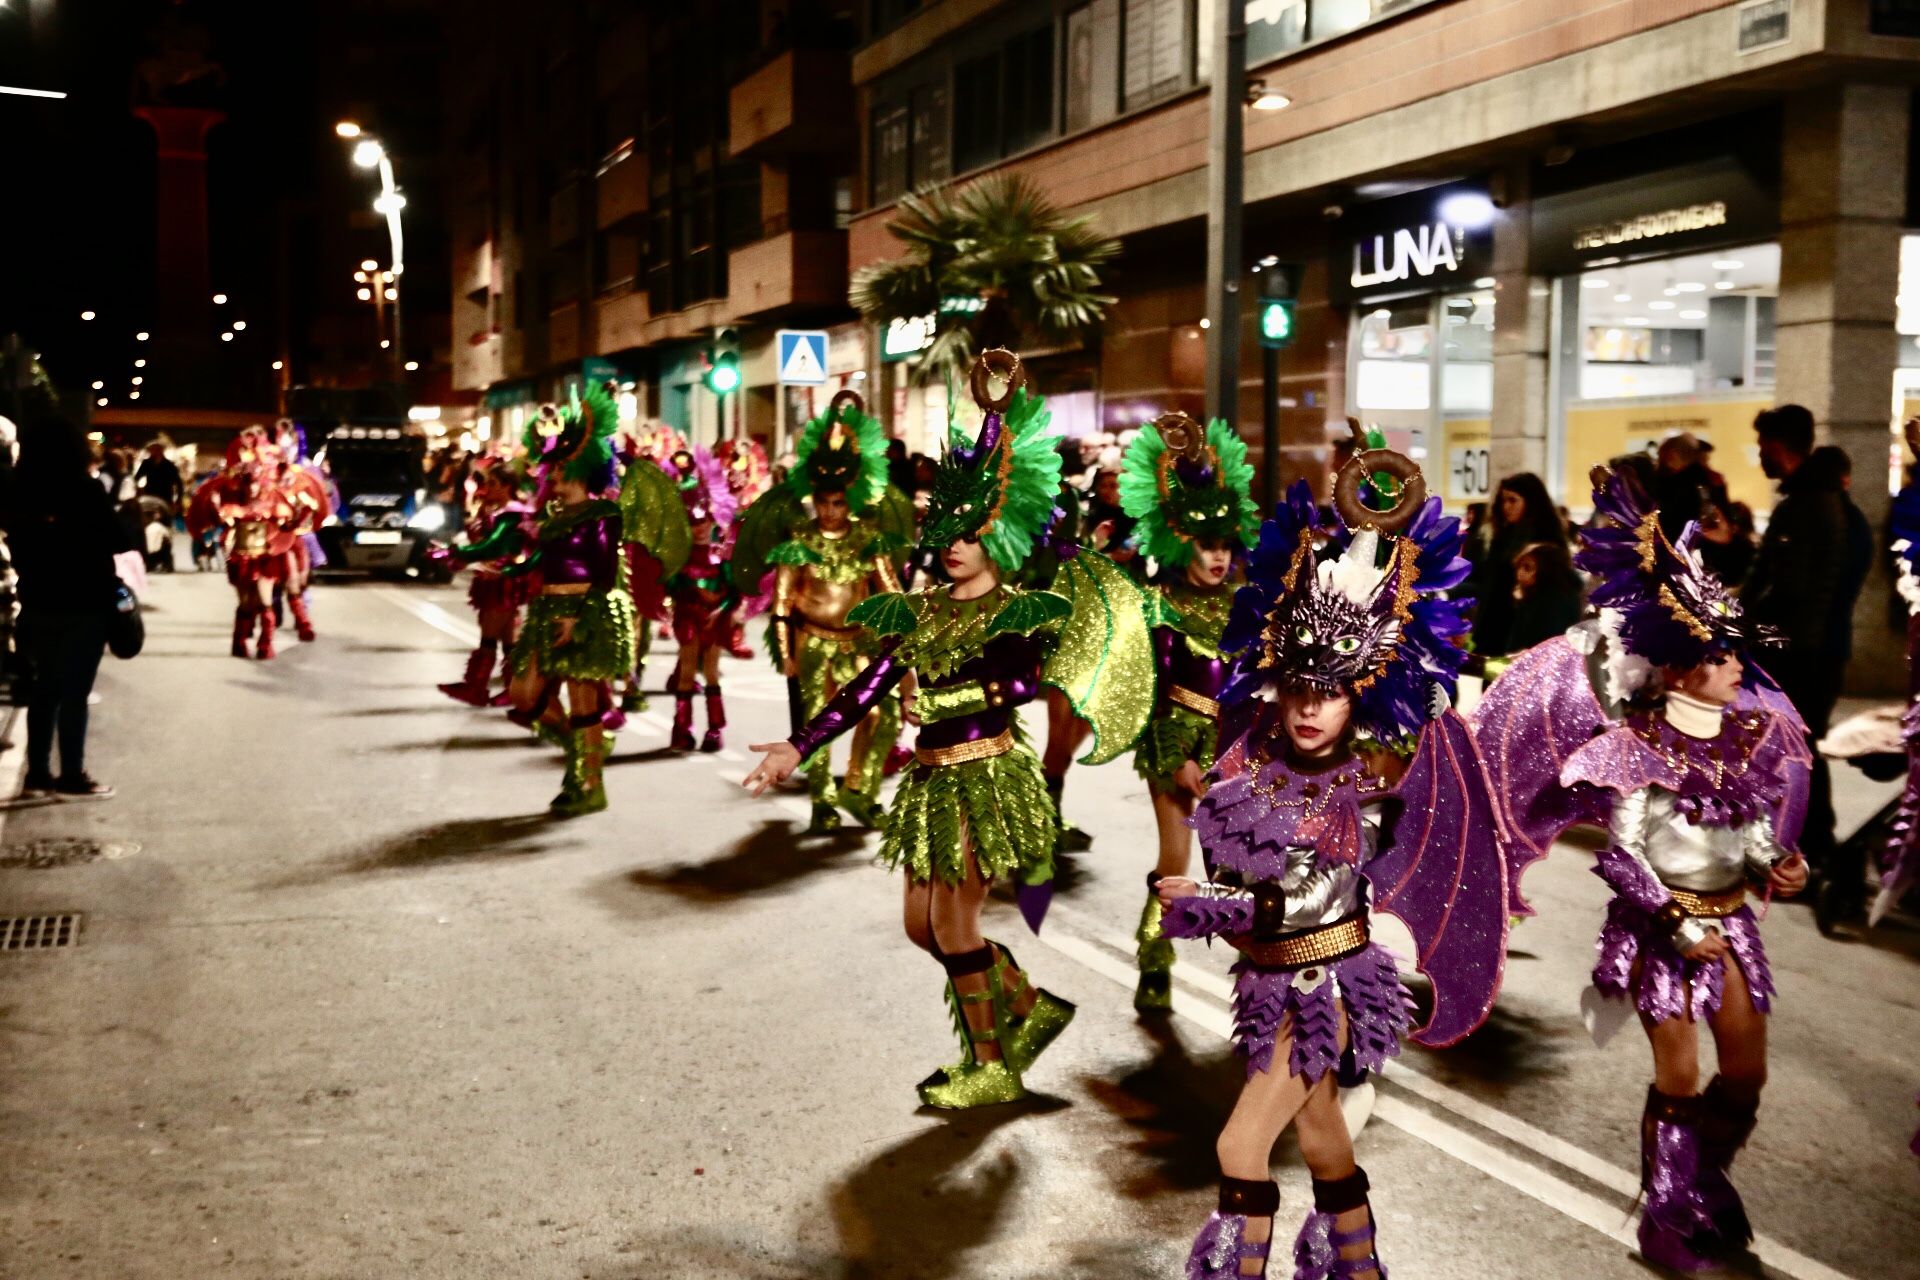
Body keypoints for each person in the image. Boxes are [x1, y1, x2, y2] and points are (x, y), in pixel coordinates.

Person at [741, 350, 1156, 1109]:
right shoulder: (925, 607)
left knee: (953, 923)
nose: (952, 540)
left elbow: (1027, 682)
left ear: (996, 534)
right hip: (931, 780)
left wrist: (958, 692)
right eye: (946, 526)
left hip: (983, 775)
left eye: (970, 529)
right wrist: (797, 745)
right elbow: (869, 683)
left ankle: (992, 1064)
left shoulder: (1020, 610)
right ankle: (1027, 1003)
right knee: (919, 928)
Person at [1160, 444, 1507, 1280]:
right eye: (1300, 687)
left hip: (1325, 986)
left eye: (1334, 690)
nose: (1312, 706)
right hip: (1268, 980)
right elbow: (1236, 854)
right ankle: (1357, 1264)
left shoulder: (1370, 786)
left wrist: (1206, 901)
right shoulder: (1250, 762)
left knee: (1241, 1144)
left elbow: (1301, 893)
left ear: (1362, 697)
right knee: (1320, 1136)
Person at [1476, 464, 1811, 1274]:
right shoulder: (1638, 748)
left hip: (1730, 922)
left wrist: (1782, 862)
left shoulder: (1744, 741)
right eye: (1723, 657)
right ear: (1679, 667)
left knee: (1747, 1075)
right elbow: (1625, 855)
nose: (1741, 669)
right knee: (1683, 1076)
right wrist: (1674, 920)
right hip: (1662, 929)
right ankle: (1664, 1214)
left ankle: (1704, 1178)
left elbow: (1749, 829)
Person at [1115, 411, 1257, 1011]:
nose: (1219, 557)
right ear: (1181, 542)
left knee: (1248, 869)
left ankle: (1262, 977)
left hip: (1236, 745)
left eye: (1226, 545)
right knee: (1175, 859)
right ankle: (1154, 953)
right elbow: (1149, 693)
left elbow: (1256, 683)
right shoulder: (1159, 608)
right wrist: (1178, 758)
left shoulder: (1246, 604)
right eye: (1207, 545)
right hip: (1173, 741)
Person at [760, 393, 908, 832]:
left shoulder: (870, 538)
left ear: (851, 500)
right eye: (823, 502)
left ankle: (859, 790)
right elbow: (782, 602)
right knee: (817, 723)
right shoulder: (800, 540)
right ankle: (822, 800)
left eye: (838, 503)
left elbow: (891, 593)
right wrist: (787, 651)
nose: (829, 511)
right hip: (812, 643)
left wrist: (907, 632)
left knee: (885, 716)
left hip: (860, 641)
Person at [505, 390, 639, 817]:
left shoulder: (603, 516)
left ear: (582, 471)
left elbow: (604, 576)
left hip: (588, 613)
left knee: (584, 704)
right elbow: (542, 562)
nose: (553, 477)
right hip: (547, 611)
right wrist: (503, 568)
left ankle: (588, 783)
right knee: (525, 694)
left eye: (562, 469)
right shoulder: (553, 518)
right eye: (554, 469)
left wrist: (579, 623)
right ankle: (585, 754)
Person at [1743, 406, 1861, 883]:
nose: (1759, 456)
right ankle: (1803, 846)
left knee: (1798, 752)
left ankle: (1813, 851)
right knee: (1793, 751)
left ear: (1779, 445)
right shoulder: (1815, 501)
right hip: (1804, 652)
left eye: (1762, 446)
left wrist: (1750, 628)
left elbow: (1789, 592)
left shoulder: (1811, 505)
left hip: (1800, 658)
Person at [3, 414, 137, 800]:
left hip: (38, 600)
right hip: (84, 601)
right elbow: (118, 540)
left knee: (46, 686)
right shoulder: (84, 489)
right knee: (75, 692)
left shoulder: (19, 490)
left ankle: (38, 774)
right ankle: (72, 773)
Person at [429, 458, 537, 706]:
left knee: (489, 636)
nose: (488, 487)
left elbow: (492, 546)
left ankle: (477, 687)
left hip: (501, 581)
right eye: (487, 482)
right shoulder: (495, 509)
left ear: (508, 485)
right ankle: (513, 689)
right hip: (492, 578)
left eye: (494, 483)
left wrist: (453, 552)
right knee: (508, 639)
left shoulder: (512, 512)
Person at [1470, 471, 1566, 659]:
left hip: (1523, 631)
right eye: (1503, 501)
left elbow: (1549, 599)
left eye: (1513, 500)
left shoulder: (1544, 542)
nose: (1506, 507)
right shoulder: (1504, 536)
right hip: (1495, 625)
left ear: (1530, 501)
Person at [1503, 541, 1584, 653]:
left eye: (1527, 567)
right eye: (1519, 566)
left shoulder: (1554, 601)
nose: (1520, 572)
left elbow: (1545, 640)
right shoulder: (1537, 594)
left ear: (1545, 569)